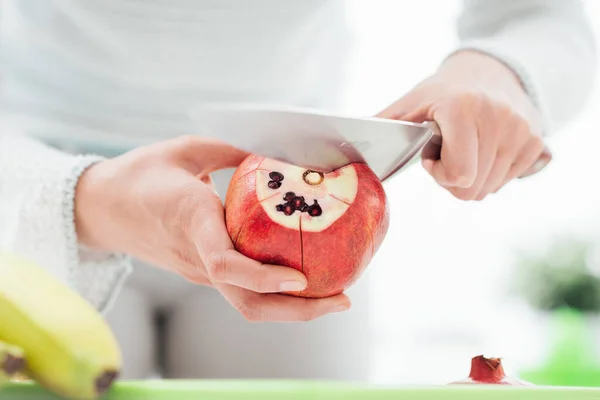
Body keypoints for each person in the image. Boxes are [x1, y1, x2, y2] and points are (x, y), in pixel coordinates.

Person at [0, 0, 596, 381]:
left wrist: (499, 69)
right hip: (33, 203)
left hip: (299, 235)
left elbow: (542, 16)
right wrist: (78, 196)